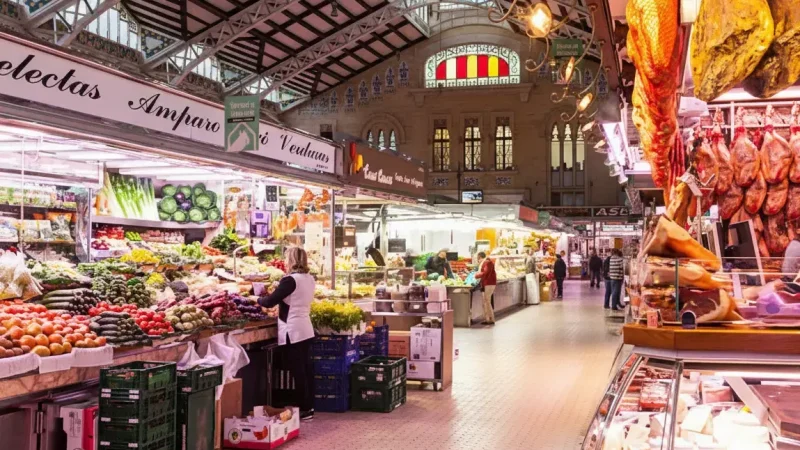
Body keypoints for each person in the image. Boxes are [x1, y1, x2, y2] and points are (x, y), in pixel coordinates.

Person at [258, 247, 316, 420]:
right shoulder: (309, 278)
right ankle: (309, 406)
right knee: (305, 369)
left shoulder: (290, 280)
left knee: (297, 371)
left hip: (293, 330)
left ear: (291, 260)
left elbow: (269, 302)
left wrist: (256, 299)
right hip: (305, 328)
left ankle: (304, 410)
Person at [475, 251, 497, 324]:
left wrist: (477, 275)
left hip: (489, 283)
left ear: (480, 257)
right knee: (486, 301)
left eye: (478, 258)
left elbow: (485, 272)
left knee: (487, 301)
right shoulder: (487, 262)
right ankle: (488, 319)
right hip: (487, 283)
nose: (478, 260)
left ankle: (491, 319)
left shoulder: (487, 262)